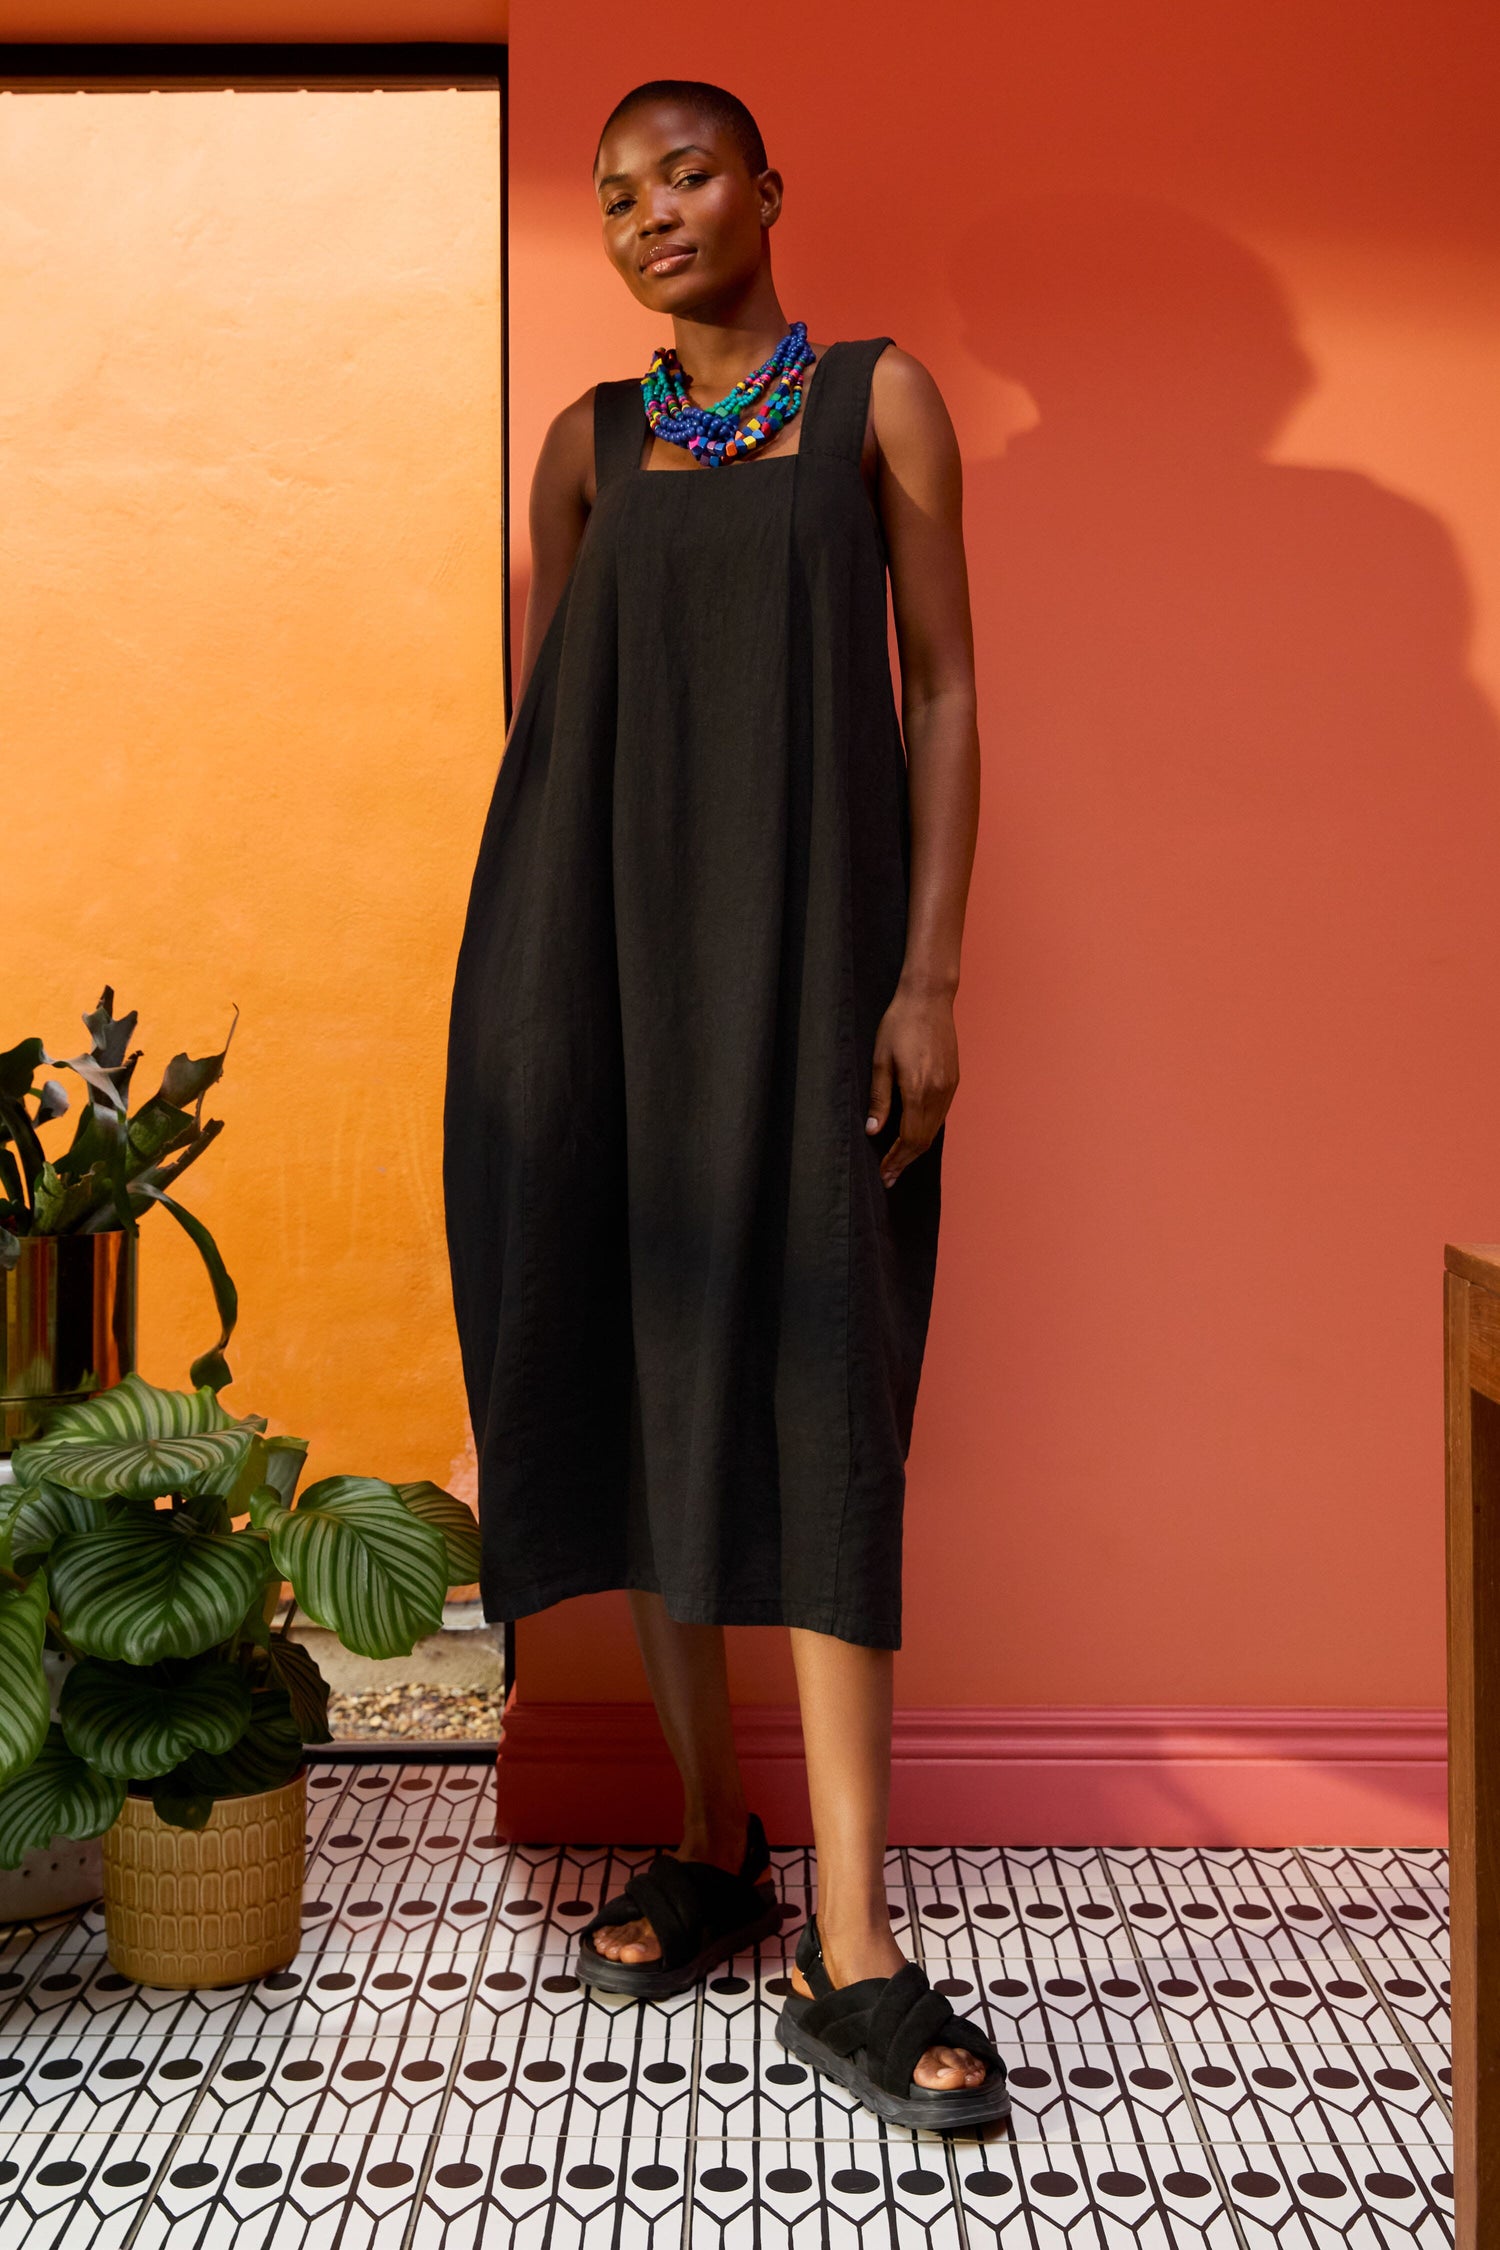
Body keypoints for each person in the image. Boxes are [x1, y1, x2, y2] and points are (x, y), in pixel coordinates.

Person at [443, 78, 1005, 2128]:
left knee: (826, 1402)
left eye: (685, 172)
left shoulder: (877, 404)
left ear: (770, 187)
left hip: (813, 978)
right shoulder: (586, 451)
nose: (649, 211)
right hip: (594, 989)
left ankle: (854, 1948)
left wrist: (925, 976)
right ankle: (712, 1840)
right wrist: (547, 1022)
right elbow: (556, 745)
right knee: (645, 1365)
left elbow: (942, 689)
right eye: (613, 193)